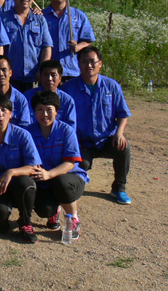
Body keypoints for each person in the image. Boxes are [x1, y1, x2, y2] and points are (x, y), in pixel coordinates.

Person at [63, 46, 132, 205]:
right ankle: (75, 189)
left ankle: (119, 188)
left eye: (93, 62)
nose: (89, 65)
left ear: (100, 64)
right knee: (80, 165)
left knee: (123, 148)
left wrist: (119, 133)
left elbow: (123, 114)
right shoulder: (68, 88)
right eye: (84, 62)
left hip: (107, 139)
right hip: (81, 143)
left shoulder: (111, 86)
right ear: (78, 64)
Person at [0, 93, 41, 243]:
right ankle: (2, 219)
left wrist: (11, 172)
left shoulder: (22, 135)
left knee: (26, 183)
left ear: (11, 114)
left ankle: (25, 223)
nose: (0, 114)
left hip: (18, 185)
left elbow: (34, 166)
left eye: (4, 110)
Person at [28, 91, 86, 240]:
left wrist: (49, 174)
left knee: (62, 182)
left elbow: (70, 163)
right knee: (44, 210)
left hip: (68, 177)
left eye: (49, 110)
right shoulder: (28, 132)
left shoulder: (66, 131)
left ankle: (73, 218)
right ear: (34, 111)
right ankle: (54, 211)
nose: (45, 114)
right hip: (43, 180)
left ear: (56, 111)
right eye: (40, 110)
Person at [2, 0, 52, 91]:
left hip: (34, 78)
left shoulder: (40, 19)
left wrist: (41, 70)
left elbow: (47, 47)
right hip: (10, 79)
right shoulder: (3, 19)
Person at [42, 0, 95, 81]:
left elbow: (88, 41)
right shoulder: (41, 16)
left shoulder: (79, 16)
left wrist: (78, 47)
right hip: (49, 72)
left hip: (72, 70)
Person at [23, 60, 77, 127]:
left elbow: (71, 127)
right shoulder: (27, 97)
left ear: (60, 78)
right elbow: (24, 124)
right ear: (40, 77)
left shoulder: (67, 101)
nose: (49, 78)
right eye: (46, 75)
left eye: (53, 75)